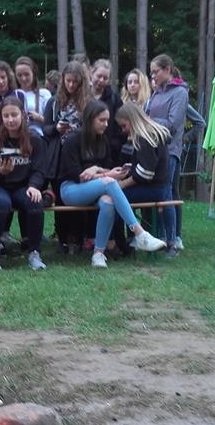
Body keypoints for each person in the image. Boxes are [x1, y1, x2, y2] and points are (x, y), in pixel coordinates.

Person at [58, 101, 166, 268]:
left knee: (108, 201)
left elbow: (107, 168)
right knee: (109, 183)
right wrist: (105, 174)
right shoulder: (72, 140)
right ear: (90, 119)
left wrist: (105, 171)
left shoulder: (103, 141)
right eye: (102, 120)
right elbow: (78, 176)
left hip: (97, 189)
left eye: (107, 120)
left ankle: (98, 254)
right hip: (71, 189)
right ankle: (139, 233)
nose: (106, 124)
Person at [0, 98, 48, 270]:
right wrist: (1, 173)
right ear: (1, 118)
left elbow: (39, 170)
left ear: (23, 115)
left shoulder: (34, 140)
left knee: (35, 201)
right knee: (1, 203)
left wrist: (34, 186)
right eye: (6, 116)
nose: (10, 120)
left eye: (14, 115)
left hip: (22, 187)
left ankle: (34, 253)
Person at [116, 102, 178, 258]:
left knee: (115, 198)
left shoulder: (144, 138)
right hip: (160, 187)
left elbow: (145, 173)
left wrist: (121, 185)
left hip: (154, 189)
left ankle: (121, 243)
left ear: (132, 120)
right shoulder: (152, 133)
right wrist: (131, 168)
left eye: (124, 126)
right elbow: (148, 166)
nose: (123, 130)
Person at [44, 62, 92, 252]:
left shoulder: (88, 102)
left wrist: (79, 131)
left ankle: (79, 238)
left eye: (75, 82)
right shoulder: (54, 102)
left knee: (80, 196)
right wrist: (56, 128)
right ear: (63, 80)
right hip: (59, 155)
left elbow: (94, 129)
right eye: (68, 81)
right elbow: (45, 129)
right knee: (61, 197)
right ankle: (62, 239)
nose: (71, 85)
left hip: (80, 155)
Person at [146, 54, 189, 252]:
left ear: (167, 70)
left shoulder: (180, 93)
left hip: (170, 151)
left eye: (155, 72)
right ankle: (160, 236)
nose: (153, 76)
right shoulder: (156, 93)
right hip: (152, 150)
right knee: (159, 192)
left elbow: (173, 123)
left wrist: (148, 122)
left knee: (167, 193)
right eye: (151, 72)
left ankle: (172, 239)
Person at [91, 59, 125, 162]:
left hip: (109, 154)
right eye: (99, 76)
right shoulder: (82, 97)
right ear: (91, 73)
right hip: (85, 150)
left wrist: (114, 145)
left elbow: (121, 126)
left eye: (105, 78)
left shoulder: (115, 100)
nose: (101, 80)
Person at [13, 56, 52, 138]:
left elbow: (52, 122)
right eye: (19, 75)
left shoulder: (44, 94)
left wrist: (39, 118)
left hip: (38, 136)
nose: (23, 78)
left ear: (33, 73)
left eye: (26, 74)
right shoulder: (14, 94)